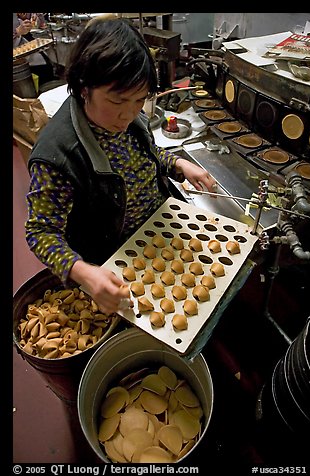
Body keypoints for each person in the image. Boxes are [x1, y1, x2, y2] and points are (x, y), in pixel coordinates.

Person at [25, 18, 217, 315]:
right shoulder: (58, 156)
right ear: (83, 88)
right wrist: (83, 272)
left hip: (158, 230)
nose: (128, 113)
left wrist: (176, 163)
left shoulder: (129, 119)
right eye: (117, 101)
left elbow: (145, 156)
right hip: (115, 256)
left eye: (139, 99)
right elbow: (41, 232)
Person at [13, 13, 54, 87]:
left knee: (47, 62)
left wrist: (33, 18)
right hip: (17, 59)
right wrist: (17, 32)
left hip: (23, 45)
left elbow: (39, 23)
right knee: (44, 69)